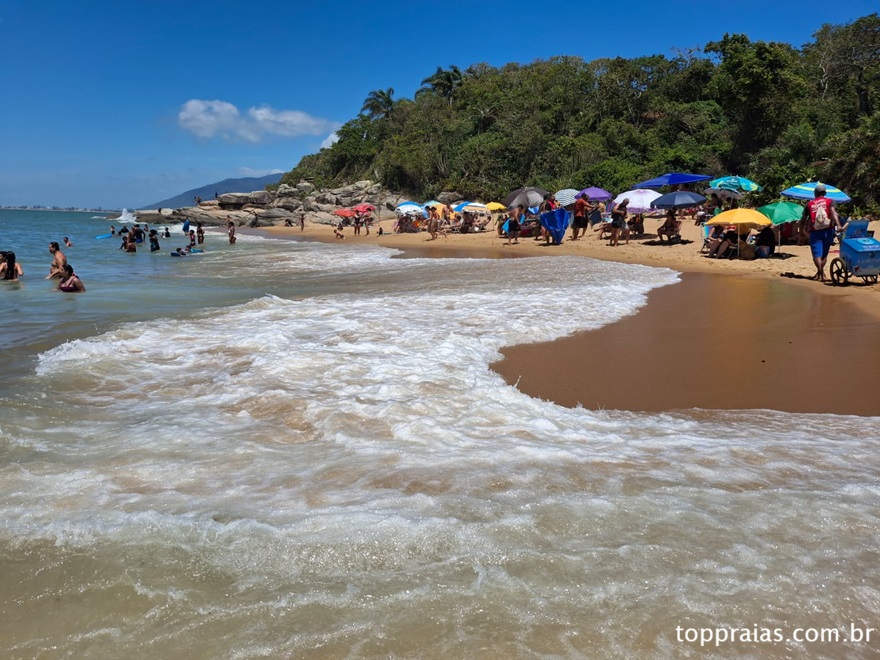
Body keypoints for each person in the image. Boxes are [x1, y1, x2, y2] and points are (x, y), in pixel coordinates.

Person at [800, 183, 843, 281]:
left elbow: (803, 219)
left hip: (815, 232)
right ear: (825, 193)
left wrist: (801, 231)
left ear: (815, 193)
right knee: (824, 254)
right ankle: (821, 273)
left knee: (816, 255)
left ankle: (820, 273)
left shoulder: (809, 204)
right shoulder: (830, 201)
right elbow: (833, 213)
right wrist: (839, 225)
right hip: (828, 231)